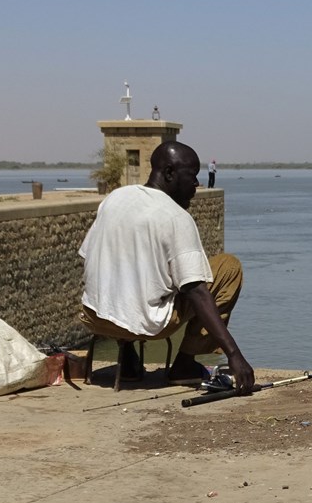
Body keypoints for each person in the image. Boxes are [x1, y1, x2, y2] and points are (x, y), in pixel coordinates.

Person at [78, 141, 254, 391]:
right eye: (192, 177)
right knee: (228, 267)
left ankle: (127, 359)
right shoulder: (176, 217)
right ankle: (184, 364)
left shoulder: (116, 198)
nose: (196, 184)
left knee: (131, 271)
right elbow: (196, 291)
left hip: (95, 316)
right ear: (170, 173)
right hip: (146, 325)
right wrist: (234, 354)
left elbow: (89, 257)